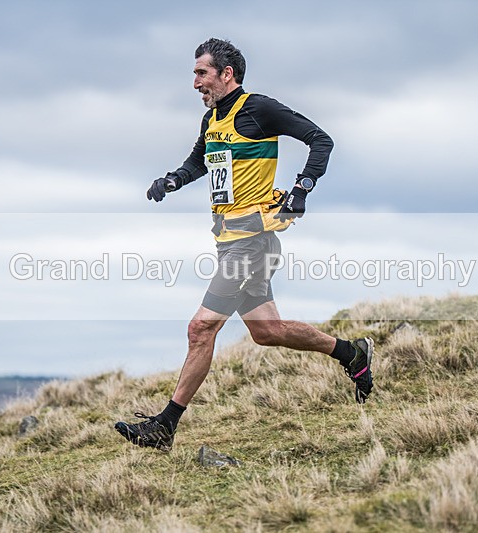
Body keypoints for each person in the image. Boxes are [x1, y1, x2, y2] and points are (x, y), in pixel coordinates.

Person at [115, 38, 373, 451]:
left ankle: (165, 426)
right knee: (267, 331)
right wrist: (173, 180)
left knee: (201, 328)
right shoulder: (213, 119)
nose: (195, 83)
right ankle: (350, 354)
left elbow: (320, 139)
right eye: (195, 74)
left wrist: (301, 188)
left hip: (252, 242)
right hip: (230, 240)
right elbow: (201, 160)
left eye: (201, 73)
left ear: (226, 74)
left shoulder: (258, 108)